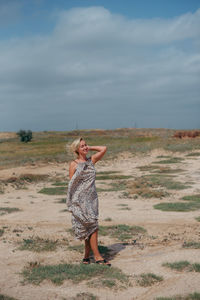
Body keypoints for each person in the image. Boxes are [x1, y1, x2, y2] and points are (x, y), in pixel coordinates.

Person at [66, 137, 111, 266]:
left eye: (86, 145)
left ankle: (86, 257)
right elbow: (71, 185)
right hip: (80, 200)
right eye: (82, 146)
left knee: (89, 227)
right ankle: (97, 257)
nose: (85, 147)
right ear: (76, 149)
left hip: (92, 199)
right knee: (93, 227)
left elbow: (104, 148)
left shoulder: (92, 160)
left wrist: (88, 148)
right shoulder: (73, 164)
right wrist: (72, 203)